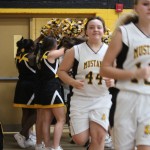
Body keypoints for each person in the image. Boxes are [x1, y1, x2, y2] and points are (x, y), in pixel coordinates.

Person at [57, 16, 114, 150]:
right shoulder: (75, 50)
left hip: (102, 99)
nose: (95, 30)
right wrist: (72, 82)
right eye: (91, 27)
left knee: (99, 138)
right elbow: (61, 71)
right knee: (79, 139)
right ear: (86, 31)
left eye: (99, 27)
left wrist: (114, 81)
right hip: (80, 99)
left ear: (104, 31)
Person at [100, 0, 150, 149]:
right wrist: (134, 73)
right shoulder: (124, 33)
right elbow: (104, 69)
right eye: (145, 3)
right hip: (126, 99)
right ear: (135, 8)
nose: (149, 7)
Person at [34, 36, 66, 150]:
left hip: (44, 89)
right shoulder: (50, 54)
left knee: (46, 121)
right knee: (61, 119)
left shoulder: (41, 55)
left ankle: (47, 147)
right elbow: (65, 50)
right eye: (56, 43)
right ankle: (56, 146)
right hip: (52, 88)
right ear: (53, 45)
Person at [13, 37, 37, 148]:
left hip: (21, 85)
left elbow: (30, 46)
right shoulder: (32, 57)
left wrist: (40, 37)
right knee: (36, 112)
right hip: (31, 87)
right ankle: (22, 134)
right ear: (32, 47)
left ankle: (26, 138)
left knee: (26, 113)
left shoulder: (18, 56)